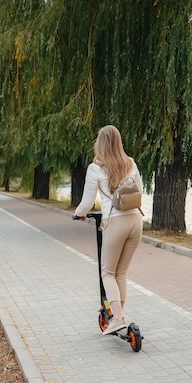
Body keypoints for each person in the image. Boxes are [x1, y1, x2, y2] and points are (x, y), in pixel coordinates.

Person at [74, 125, 143, 335]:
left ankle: (118, 318)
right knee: (121, 272)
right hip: (136, 220)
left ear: (100, 144)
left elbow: (87, 202)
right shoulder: (131, 163)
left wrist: (79, 213)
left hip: (115, 222)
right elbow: (140, 191)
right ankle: (118, 315)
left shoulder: (95, 168)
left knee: (108, 272)